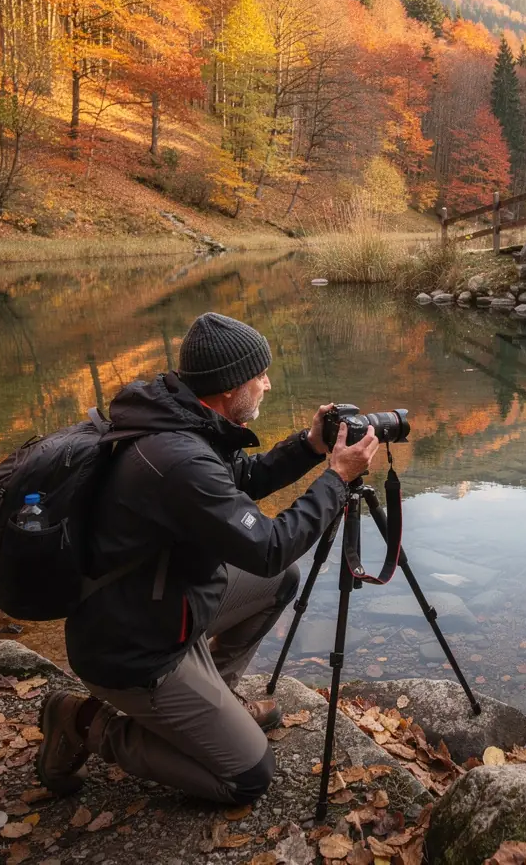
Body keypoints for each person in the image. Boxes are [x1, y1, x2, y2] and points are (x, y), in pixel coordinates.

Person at [36, 312, 380, 805]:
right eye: (259, 376)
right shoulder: (177, 458)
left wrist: (310, 448)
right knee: (248, 777)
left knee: (282, 580)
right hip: (134, 650)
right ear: (227, 388)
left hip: (160, 605)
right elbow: (268, 546)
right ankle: (83, 723)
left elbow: (242, 480)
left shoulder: (182, 417)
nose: (267, 384)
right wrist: (336, 479)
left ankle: (213, 701)